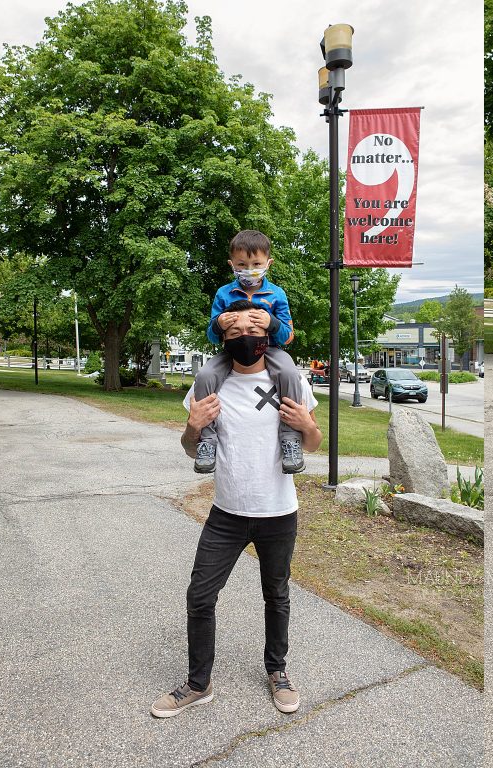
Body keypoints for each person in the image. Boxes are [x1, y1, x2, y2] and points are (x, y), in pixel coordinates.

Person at [151, 302, 323, 718]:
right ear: (224, 337)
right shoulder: (210, 383)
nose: (245, 336)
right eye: (235, 330)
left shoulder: (290, 379)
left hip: (278, 511)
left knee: (276, 594)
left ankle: (278, 671)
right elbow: (191, 448)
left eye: (254, 327)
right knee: (200, 594)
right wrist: (193, 427)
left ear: (267, 335)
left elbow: (314, 446)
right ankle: (198, 683)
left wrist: (307, 425)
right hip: (226, 513)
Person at [192, 229, 306, 474]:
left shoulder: (277, 294)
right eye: (242, 264)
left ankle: (290, 437)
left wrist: (271, 323)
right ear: (232, 264)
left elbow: (288, 336)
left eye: (256, 264)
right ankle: (207, 441)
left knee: (288, 372)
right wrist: (219, 324)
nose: (249, 269)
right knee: (204, 376)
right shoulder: (224, 293)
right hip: (231, 351)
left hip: (270, 350)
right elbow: (212, 336)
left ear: (268, 263)